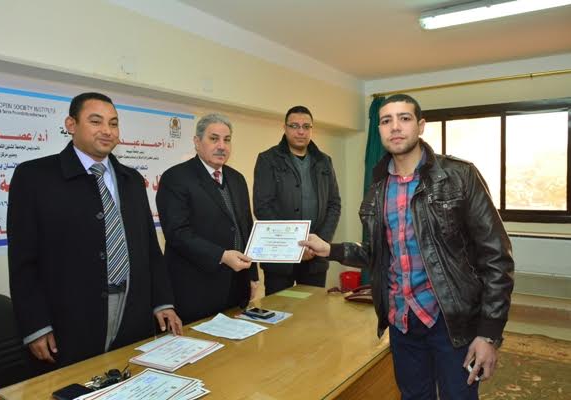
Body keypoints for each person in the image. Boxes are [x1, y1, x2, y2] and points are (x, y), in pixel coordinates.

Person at [300, 94, 514, 399]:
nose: (395, 127)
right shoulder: (377, 188)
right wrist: (330, 249)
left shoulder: (459, 176)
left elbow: (497, 258)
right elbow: (379, 254)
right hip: (402, 323)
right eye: (386, 120)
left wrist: (489, 334)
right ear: (379, 130)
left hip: (452, 322)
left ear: (420, 125)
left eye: (404, 118)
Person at [7, 92, 182, 369]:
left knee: (128, 379)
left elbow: (149, 247)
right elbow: (23, 260)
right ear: (71, 124)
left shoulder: (132, 180)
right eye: (96, 121)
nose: (107, 131)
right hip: (70, 317)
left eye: (113, 123)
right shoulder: (34, 177)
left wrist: (163, 302)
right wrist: (36, 325)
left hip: (132, 310)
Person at [156, 113, 258, 323]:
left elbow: (246, 228)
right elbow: (177, 233)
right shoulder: (175, 178)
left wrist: (252, 275)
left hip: (236, 286)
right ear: (197, 142)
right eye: (214, 139)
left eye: (227, 140)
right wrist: (222, 255)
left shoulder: (237, 179)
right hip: (196, 289)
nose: (222, 146)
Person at [253, 106, 341, 295]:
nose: (301, 131)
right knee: (279, 308)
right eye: (294, 126)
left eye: (306, 126)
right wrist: (294, 246)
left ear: (311, 129)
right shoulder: (268, 159)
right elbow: (262, 207)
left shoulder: (324, 161)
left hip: (315, 256)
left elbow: (334, 204)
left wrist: (320, 242)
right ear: (285, 128)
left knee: (312, 309)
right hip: (280, 256)